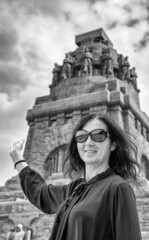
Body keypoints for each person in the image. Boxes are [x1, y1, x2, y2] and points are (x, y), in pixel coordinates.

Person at [9, 114, 142, 240]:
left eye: (99, 135)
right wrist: (19, 161)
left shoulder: (118, 188)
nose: (88, 142)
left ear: (113, 144)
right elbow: (41, 194)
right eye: (82, 136)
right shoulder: (76, 189)